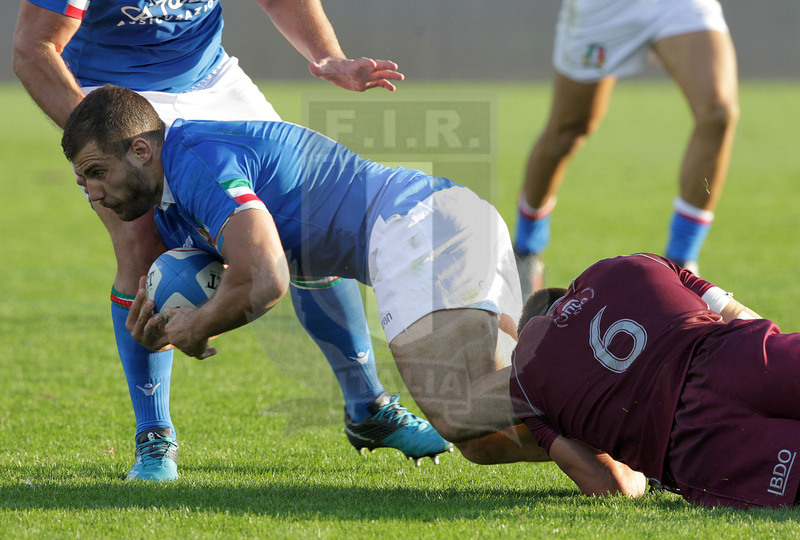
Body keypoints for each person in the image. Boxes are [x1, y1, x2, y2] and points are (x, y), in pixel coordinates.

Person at [13, 0, 450, 482]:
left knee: (301, 219)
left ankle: (368, 407)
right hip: (111, 94)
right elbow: (34, 49)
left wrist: (328, 55)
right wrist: (103, 141)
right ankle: (154, 437)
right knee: (142, 244)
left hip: (210, 80)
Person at [61, 85, 553, 468]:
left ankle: (597, 367)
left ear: (142, 150)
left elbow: (267, 277)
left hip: (414, 227)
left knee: (456, 411)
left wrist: (198, 325)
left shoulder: (193, 160)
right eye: (83, 181)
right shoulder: (171, 207)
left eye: (98, 172)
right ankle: (608, 442)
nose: (93, 194)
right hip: (439, 220)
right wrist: (162, 330)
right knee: (488, 439)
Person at [507, 253, 800, 509]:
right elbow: (742, 316)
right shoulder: (629, 264)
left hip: (691, 436)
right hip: (736, 354)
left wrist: (634, 459)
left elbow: (617, 488)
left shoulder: (525, 379)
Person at [514, 0, 739, 298]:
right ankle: (526, 250)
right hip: (604, 9)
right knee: (567, 133)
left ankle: (680, 265)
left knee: (718, 113)